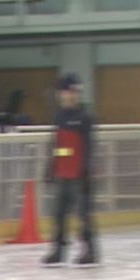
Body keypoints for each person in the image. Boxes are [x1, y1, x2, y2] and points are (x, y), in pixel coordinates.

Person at [41, 73, 98, 267]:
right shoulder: (59, 117)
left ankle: (89, 250)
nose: (71, 95)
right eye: (67, 91)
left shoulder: (85, 118)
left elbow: (89, 146)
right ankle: (58, 250)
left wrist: (87, 169)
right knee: (58, 214)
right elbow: (57, 144)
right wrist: (50, 167)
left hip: (78, 175)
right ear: (61, 94)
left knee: (83, 214)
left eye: (75, 92)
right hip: (61, 174)